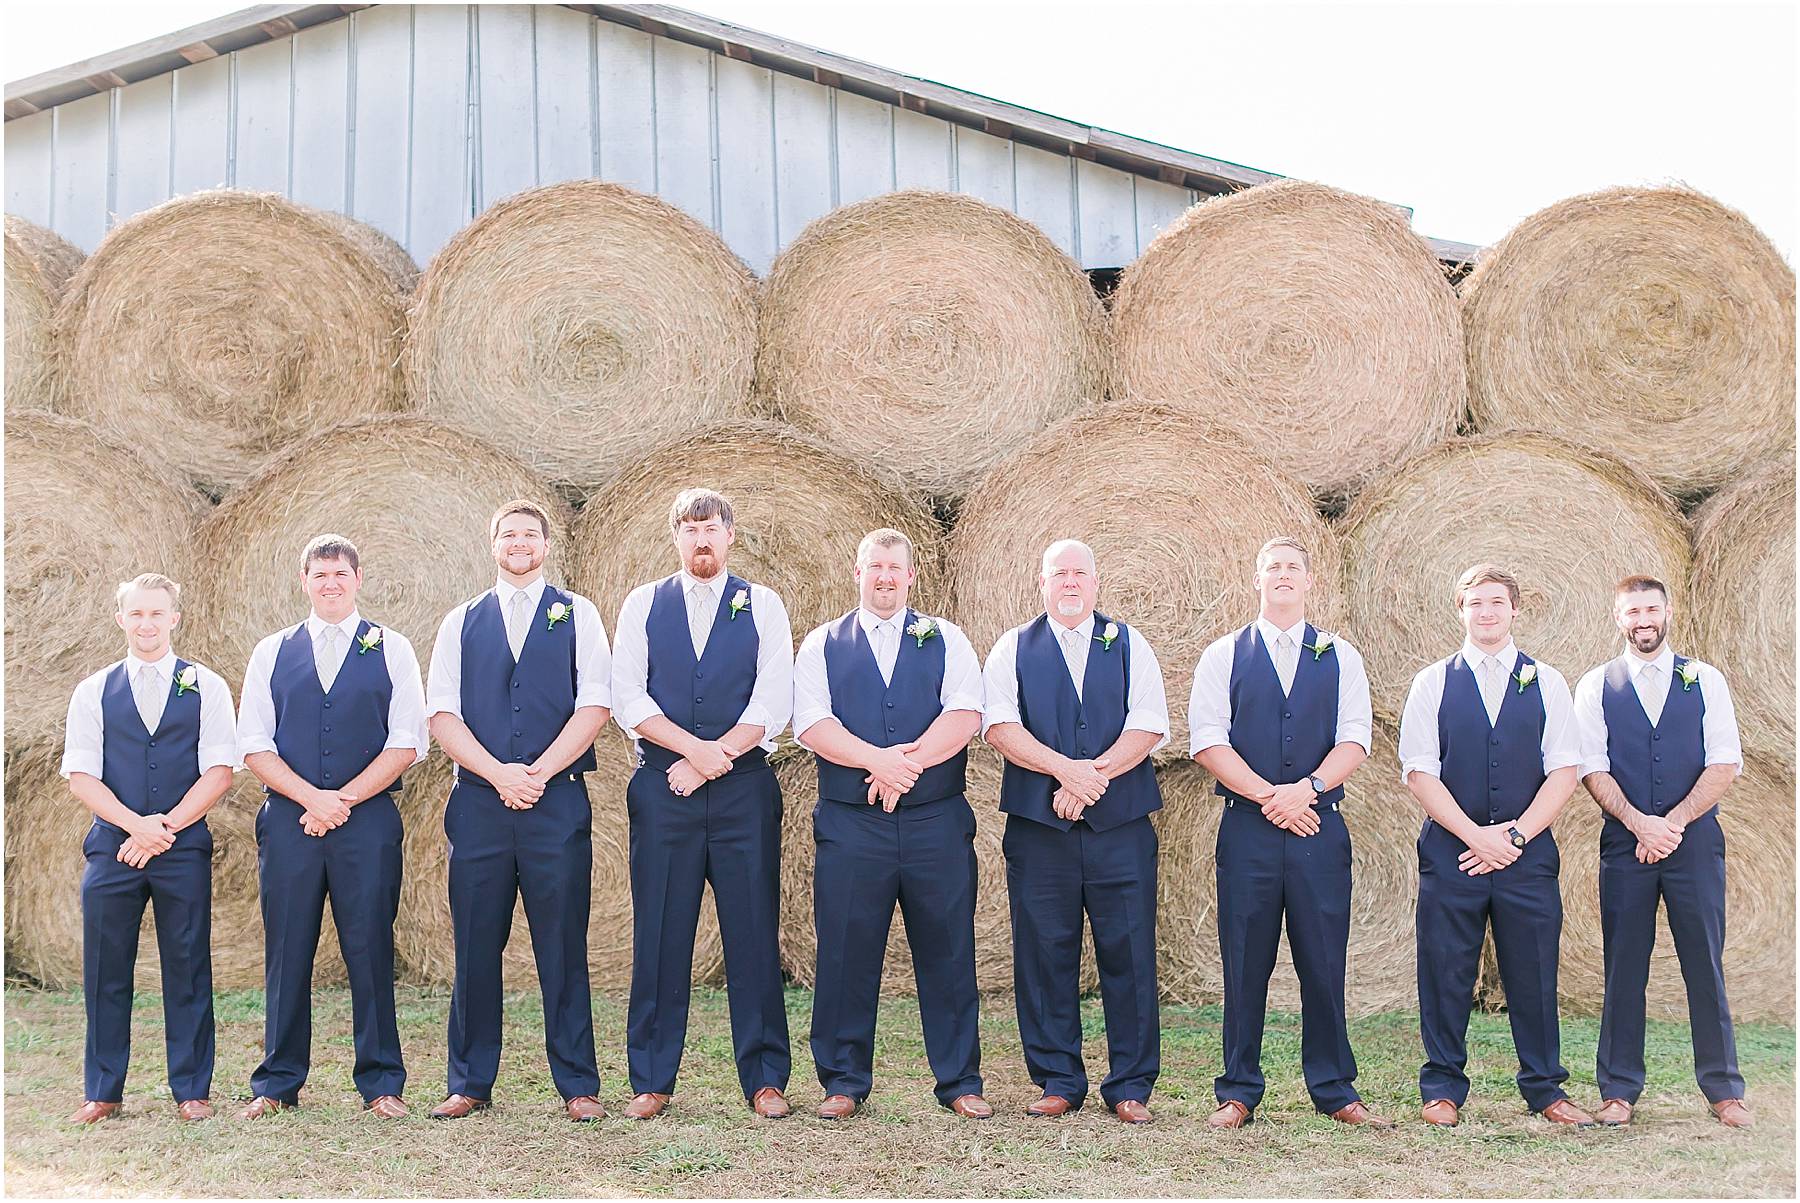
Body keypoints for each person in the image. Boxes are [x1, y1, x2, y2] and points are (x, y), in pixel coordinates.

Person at [1190, 536, 1388, 1129]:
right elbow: (1207, 739)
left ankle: (1335, 1089)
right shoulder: (1223, 654)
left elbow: (1356, 736)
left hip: (1318, 828)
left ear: (1308, 581)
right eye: (1272, 567)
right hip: (1246, 831)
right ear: (1257, 579)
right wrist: (1270, 797)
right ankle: (1237, 1091)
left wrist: (1308, 789)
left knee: (1324, 962)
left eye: (1293, 567)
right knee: (1244, 962)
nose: (1283, 575)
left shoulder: (1341, 655)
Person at [610, 488, 794, 1121]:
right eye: (690, 529)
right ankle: (652, 1079)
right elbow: (629, 696)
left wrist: (718, 757)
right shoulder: (643, 603)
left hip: (745, 791)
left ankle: (765, 1078)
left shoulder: (763, 604)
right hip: (666, 788)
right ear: (676, 538)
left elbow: (774, 698)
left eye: (711, 528)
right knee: (660, 932)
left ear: (730, 535)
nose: (701, 539)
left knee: (753, 930)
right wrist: (693, 753)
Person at [793, 528, 989, 1120]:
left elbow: (966, 713)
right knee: (845, 951)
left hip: (935, 821)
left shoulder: (947, 637)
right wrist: (877, 762)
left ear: (910, 576)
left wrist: (906, 766)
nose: (884, 577)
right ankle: (842, 1081)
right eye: (874, 566)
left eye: (894, 568)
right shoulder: (822, 643)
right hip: (852, 824)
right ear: (858, 573)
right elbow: (811, 723)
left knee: (948, 950)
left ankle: (960, 1081)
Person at [424, 501, 612, 1121]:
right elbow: (442, 714)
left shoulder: (579, 614)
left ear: (547, 545)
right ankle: (469, 1082)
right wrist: (498, 773)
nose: (520, 542)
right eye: (509, 534)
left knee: (562, 943)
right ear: (493, 544)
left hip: (556, 802)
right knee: (476, 943)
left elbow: (595, 705)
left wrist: (539, 772)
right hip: (479, 804)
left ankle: (578, 1085)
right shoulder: (460, 621)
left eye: (530, 534)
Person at [236, 534, 427, 1119]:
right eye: (320, 574)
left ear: (358, 579)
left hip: (367, 822)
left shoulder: (392, 648)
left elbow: (407, 741)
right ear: (304, 582)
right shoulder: (271, 651)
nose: (331, 583)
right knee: (287, 949)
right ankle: (277, 1083)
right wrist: (310, 799)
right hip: (289, 822)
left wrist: (341, 800)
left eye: (341, 573)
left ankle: (382, 1083)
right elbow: (253, 743)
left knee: (370, 947)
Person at [1397, 564, 1593, 1127]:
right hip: (1452, 853)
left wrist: (1515, 835)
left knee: (1534, 972)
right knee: (1445, 971)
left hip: (1526, 857)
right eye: (1476, 602)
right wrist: (1475, 835)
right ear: (1460, 610)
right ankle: (1442, 1089)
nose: (1486, 612)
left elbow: (1564, 770)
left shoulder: (1547, 681)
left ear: (1515, 610)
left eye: (1497, 603)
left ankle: (1546, 1089)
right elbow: (1419, 771)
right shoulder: (1432, 682)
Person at [982, 538, 1167, 1125]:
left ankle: (1130, 1085)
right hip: (1040, 832)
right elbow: (999, 726)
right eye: (1059, 573)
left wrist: (1090, 779)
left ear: (1095, 582)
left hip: (1121, 829)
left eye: (1079, 573)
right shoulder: (1012, 646)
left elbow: (1149, 724)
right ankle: (1058, 1079)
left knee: (1129, 952)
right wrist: (1066, 771)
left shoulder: (1130, 642)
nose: (1070, 582)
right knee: (1044, 953)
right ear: (1042, 583)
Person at [1574, 575, 1752, 1129]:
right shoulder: (1596, 684)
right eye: (1632, 612)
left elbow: (1724, 761)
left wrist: (1670, 824)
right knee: (1624, 965)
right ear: (1618, 617)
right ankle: (1618, 1091)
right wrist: (1638, 824)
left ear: (1668, 612)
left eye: (1651, 609)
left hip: (1693, 842)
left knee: (1704, 962)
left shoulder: (1706, 679)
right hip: (1624, 844)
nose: (1643, 620)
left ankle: (1724, 1090)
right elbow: (1591, 767)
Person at [61, 572, 237, 1124]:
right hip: (112, 849)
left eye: (156, 613)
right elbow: (81, 776)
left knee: (187, 966)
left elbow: (220, 771)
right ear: (121, 619)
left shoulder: (206, 685)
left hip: (182, 849)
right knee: (105, 969)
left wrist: (166, 829)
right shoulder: (93, 690)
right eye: (136, 613)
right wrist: (136, 827)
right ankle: (103, 1091)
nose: (146, 623)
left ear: (174, 618)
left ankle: (191, 1090)